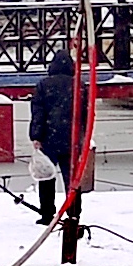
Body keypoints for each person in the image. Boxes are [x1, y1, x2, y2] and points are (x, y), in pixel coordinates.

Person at [29, 46, 81, 203]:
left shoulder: (43, 85)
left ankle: (47, 212)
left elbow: (38, 113)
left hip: (48, 137)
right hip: (71, 138)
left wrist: (36, 136)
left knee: (46, 176)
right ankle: (73, 212)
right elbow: (85, 112)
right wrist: (82, 135)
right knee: (72, 179)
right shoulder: (78, 85)